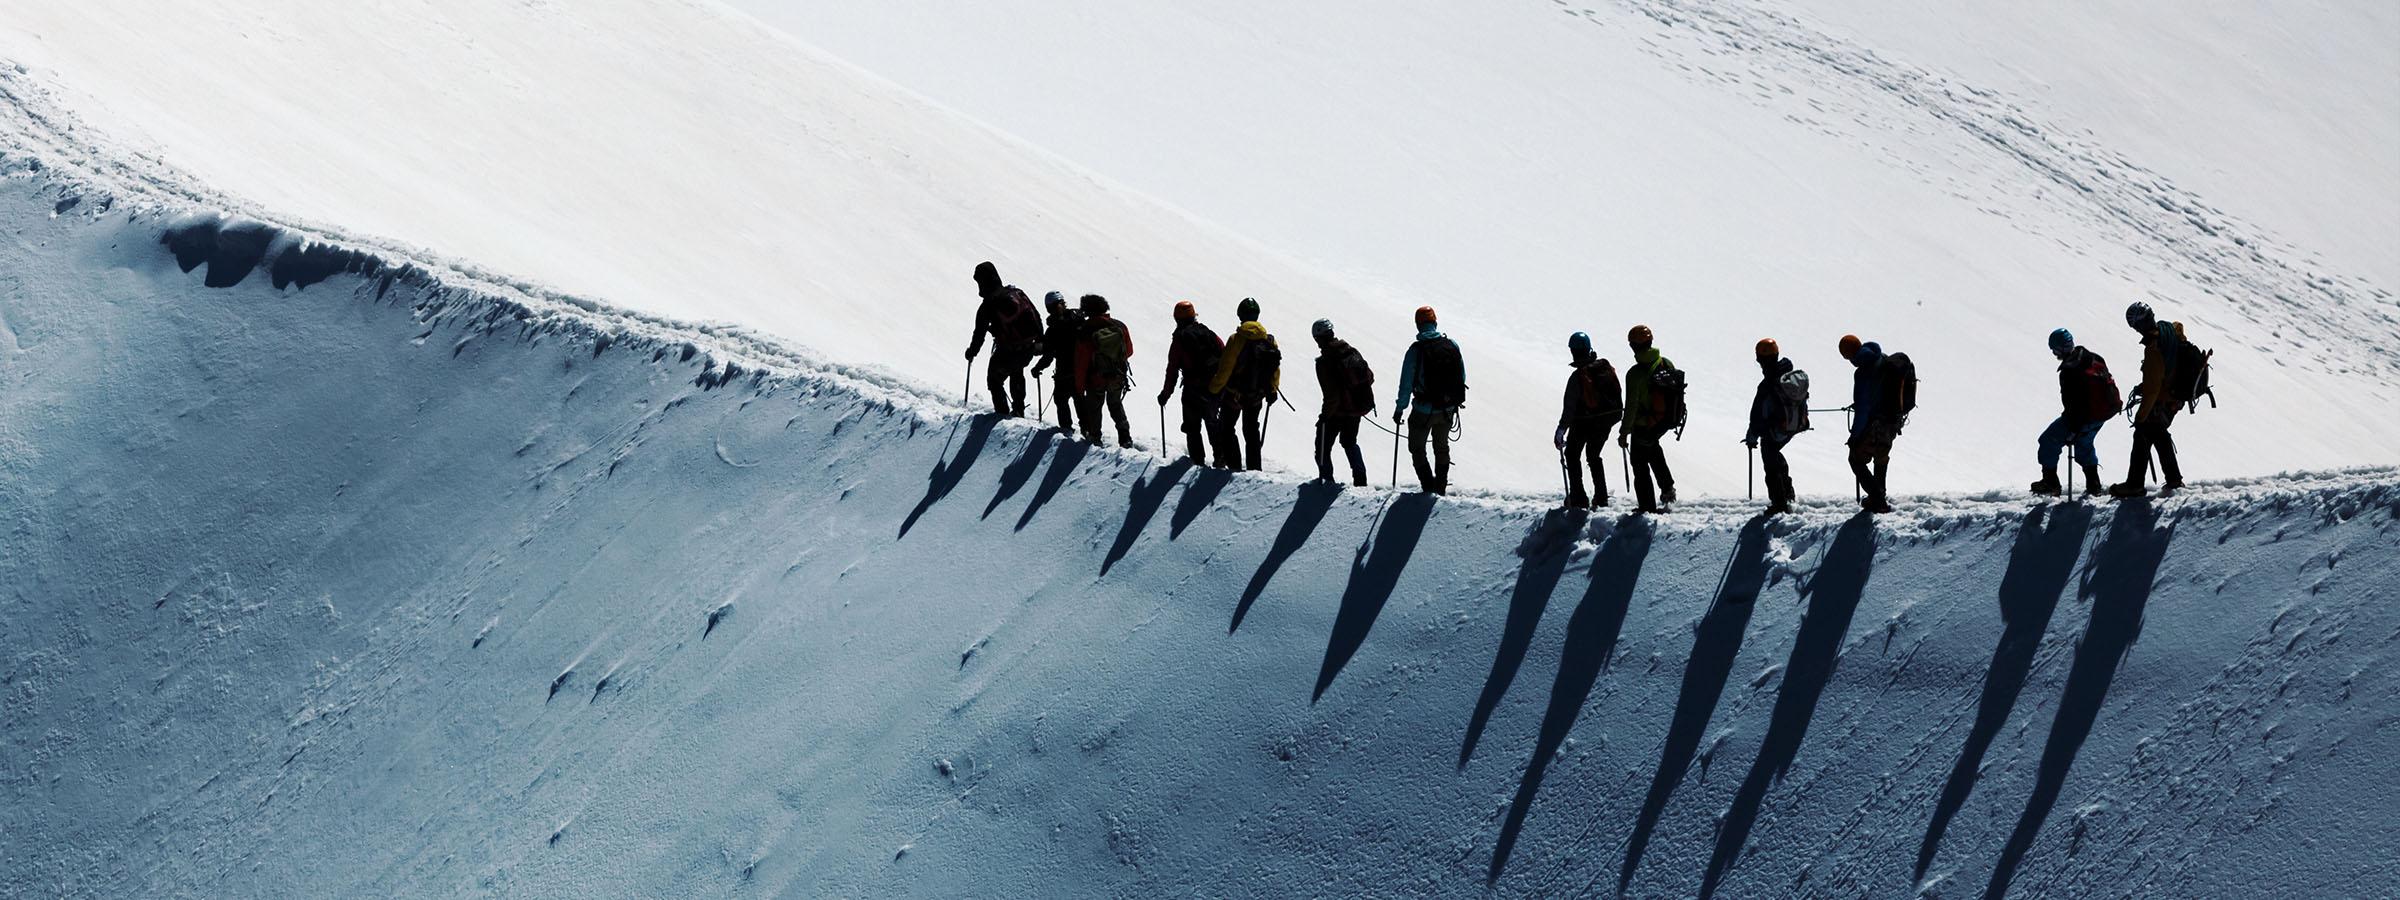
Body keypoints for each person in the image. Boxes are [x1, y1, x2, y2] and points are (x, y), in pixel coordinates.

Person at [2111, 302, 2188, 498]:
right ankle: (2174, 479)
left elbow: (2153, 387)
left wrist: (2140, 414)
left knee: (2142, 433)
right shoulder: (2169, 329)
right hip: (2176, 397)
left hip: (2163, 399)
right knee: (2158, 433)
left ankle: (2135, 484)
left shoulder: (2153, 348)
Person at [2033, 327, 2115, 496]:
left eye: (2054, 350)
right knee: (2084, 445)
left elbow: (2073, 405)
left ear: (2059, 348)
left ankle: (2050, 483)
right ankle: (2094, 485)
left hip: (2081, 419)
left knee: (2048, 441)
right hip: (2101, 414)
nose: (2054, 353)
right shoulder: (2093, 357)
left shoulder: (2069, 371)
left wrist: (2073, 430)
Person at [1394, 306, 1465, 495]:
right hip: (1447, 409)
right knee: (1441, 447)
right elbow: (1462, 377)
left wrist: (1400, 409)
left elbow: (1406, 384)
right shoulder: (1451, 345)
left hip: (1423, 410)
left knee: (1417, 448)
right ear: (1435, 322)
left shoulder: (1415, 351)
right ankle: (1440, 488)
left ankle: (1428, 486)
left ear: (1418, 325)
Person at [1838, 333, 1910, 514]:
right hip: (1892, 421)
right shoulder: (1882, 359)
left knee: (1855, 459)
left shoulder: (1862, 372)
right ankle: (1879, 496)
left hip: (1875, 423)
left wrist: (1854, 436)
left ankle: (1877, 498)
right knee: (1881, 457)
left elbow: (1863, 409)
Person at [1156, 301, 1234, 466]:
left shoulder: (1180, 339)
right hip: (1213, 386)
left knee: (1192, 427)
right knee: (1212, 422)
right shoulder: (1208, 333)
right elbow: (1224, 354)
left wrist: (1165, 394)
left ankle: (1197, 461)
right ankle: (1220, 457)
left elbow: (1172, 369)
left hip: (1192, 388)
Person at [1209, 297, 1283, 471]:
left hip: (1234, 394)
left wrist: (1214, 389)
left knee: (1227, 428)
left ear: (1240, 315)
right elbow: (1275, 369)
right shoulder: (1269, 340)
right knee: (1251, 431)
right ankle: (1254, 469)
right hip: (1257, 395)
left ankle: (1234, 467)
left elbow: (1225, 368)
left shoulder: (1236, 339)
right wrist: (1272, 390)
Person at [1553, 332, 1621, 510]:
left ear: (1573, 351)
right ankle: (1601, 497)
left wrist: (1561, 430)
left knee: (1572, 455)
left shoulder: (1578, 378)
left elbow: (1569, 408)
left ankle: (1578, 498)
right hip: (1606, 421)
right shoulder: (1604, 368)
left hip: (1584, 422)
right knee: (1593, 455)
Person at [964, 261, 1040, 417]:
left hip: (1007, 350)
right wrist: (1040, 341)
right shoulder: (1016, 293)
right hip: (1028, 347)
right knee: (1017, 371)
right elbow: (1036, 316)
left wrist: (972, 352)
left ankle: (1002, 415)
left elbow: (979, 333)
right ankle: (1019, 410)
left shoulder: (988, 306)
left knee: (994, 380)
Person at [1618, 325, 1680, 513]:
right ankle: (1668, 489)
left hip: (1643, 424)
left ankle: (1647, 506)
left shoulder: (1635, 374)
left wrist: (1624, 432)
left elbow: (1631, 406)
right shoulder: (1666, 363)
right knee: (1653, 449)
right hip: (1664, 422)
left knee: (1639, 463)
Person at [1745, 338, 1807, 515]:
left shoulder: (1767, 385)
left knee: (1770, 461)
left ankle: (1779, 502)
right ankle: (1788, 492)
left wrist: (1752, 436)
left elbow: (1756, 416)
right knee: (1775, 454)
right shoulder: (1788, 375)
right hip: (1792, 426)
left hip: (1775, 429)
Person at [1311, 319, 1374, 487]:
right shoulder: (1351, 351)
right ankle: (1360, 480)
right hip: (1356, 410)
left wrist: (1324, 417)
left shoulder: (1324, 362)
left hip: (1337, 412)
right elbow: (1370, 377)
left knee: (1322, 448)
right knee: (1349, 442)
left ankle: (1326, 482)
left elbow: (1331, 396)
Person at [1071, 294, 1136, 447]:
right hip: (1117, 376)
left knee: (1094, 408)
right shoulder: (1119, 326)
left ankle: (1095, 437)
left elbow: (1081, 363)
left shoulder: (1086, 331)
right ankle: (1125, 437)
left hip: (1095, 380)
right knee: (1115, 404)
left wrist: (1079, 387)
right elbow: (1129, 351)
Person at [1028, 291, 1082, 433]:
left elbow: (1048, 355)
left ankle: (1066, 430)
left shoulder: (1053, 329)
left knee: (1061, 399)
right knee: (1079, 400)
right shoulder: (1078, 319)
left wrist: (1037, 368)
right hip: (1081, 369)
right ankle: (1088, 431)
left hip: (1064, 371)